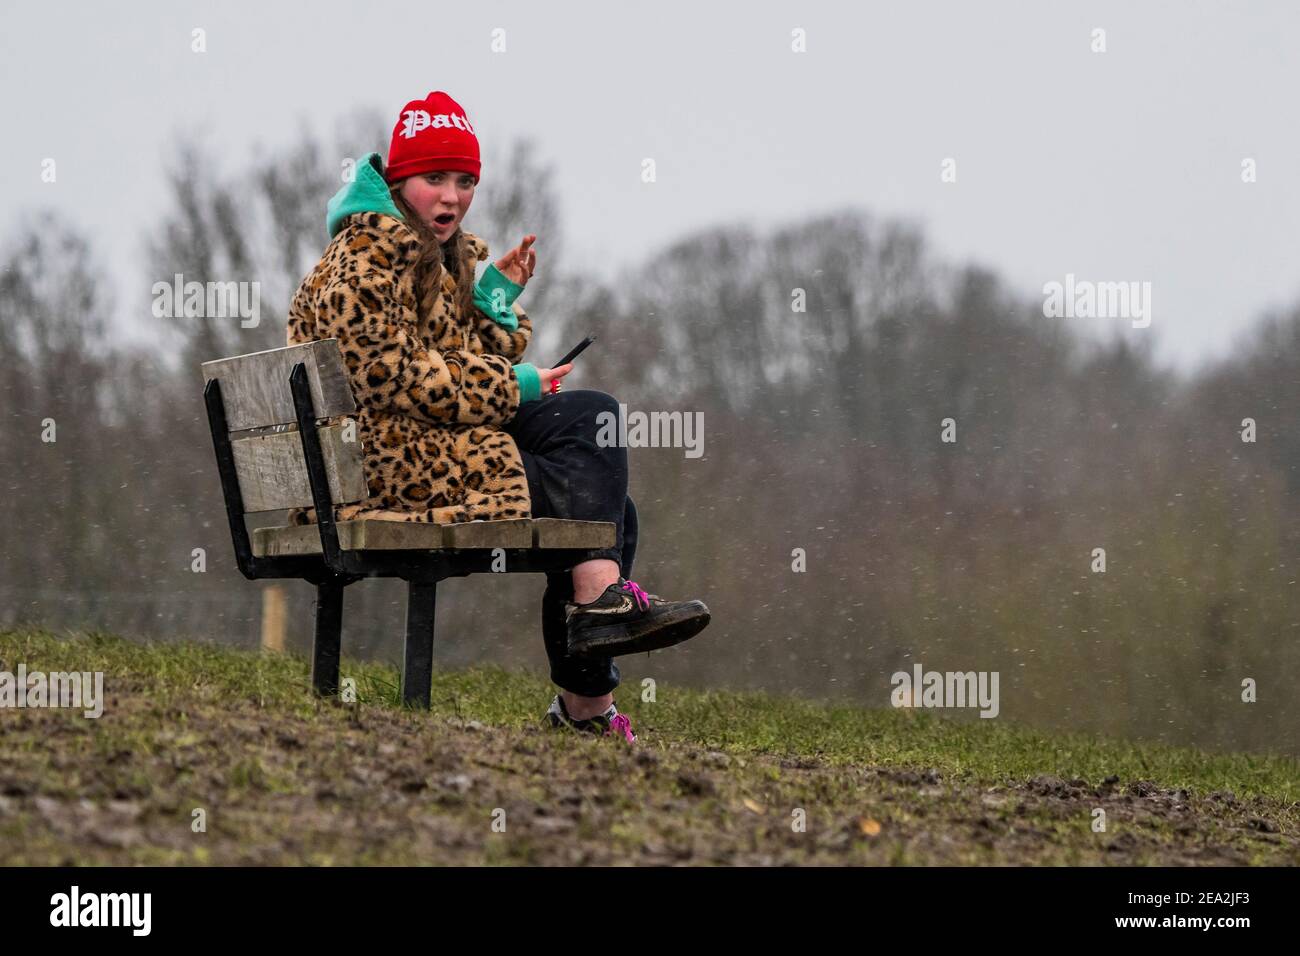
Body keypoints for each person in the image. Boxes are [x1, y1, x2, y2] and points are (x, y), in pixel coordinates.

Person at [285, 91, 711, 742]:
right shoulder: (367, 262)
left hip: (404, 454)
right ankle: (589, 667)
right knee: (597, 501)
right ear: (398, 180)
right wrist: (515, 383)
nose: (451, 197)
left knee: (596, 449)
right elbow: (395, 379)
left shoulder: (413, 255)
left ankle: (592, 647)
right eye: (434, 179)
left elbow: (439, 360)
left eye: (464, 181)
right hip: (382, 471)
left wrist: (491, 299)